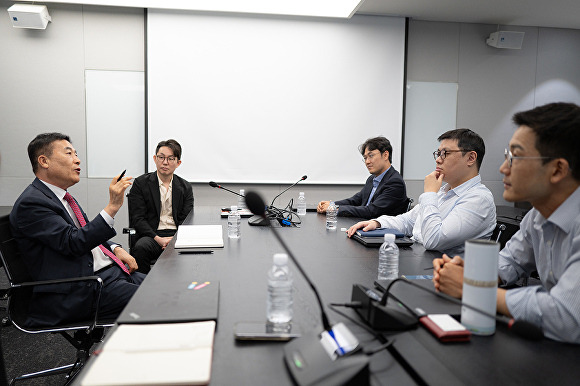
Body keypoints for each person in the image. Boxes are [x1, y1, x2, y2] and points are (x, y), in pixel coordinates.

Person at [433, 103, 580, 343]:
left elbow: (567, 316)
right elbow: (510, 261)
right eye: (506, 156)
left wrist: (475, 291)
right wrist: (470, 273)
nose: (503, 168)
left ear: (557, 170)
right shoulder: (537, 216)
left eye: (516, 157)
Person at [10, 133, 145, 327]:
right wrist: (112, 207)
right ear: (44, 161)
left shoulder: (61, 197)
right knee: (160, 301)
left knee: (167, 290)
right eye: (69, 153)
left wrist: (115, 248)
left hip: (110, 273)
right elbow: (73, 242)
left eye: (76, 153)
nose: (78, 159)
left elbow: (86, 232)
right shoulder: (32, 203)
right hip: (83, 288)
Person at [347, 129, 496, 255]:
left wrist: (429, 194)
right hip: (419, 260)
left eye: (445, 153)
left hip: (446, 278)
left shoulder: (478, 199)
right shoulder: (443, 191)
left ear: (471, 158)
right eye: (438, 153)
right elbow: (407, 221)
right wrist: (377, 223)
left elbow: (434, 240)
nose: (438, 160)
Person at [128, 139, 194, 274]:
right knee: (141, 248)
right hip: (152, 235)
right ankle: (142, 288)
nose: (165, 162)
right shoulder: (141, 184)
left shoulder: (185, 187)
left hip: (177, 235)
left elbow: (187, 219)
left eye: (170, 158)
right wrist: (159, 239)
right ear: (155, 158)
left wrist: (174, 239)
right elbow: (138, 219)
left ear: (178, 163)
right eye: (161, 157)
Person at [317, 136, 408, 218]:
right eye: (365, 158)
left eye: (371, 156)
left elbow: (371, 211)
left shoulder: (395, 182)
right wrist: (332, 204)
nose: (367, 162)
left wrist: (334, 209)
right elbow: (355, 201)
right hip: (364, 226)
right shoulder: (372, 179)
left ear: (385, 155)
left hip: (381, 233)